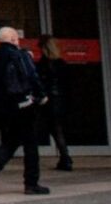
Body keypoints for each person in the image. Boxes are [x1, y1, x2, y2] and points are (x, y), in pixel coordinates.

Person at [0, 24, 48, 196]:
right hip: (23, 105)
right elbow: (31, 77)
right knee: (30, 144)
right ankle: (31, 183)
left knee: (13, 138)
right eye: (16, 38)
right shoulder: (20, 56)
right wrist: (41, 95)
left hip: (2, 108)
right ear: (12, 39)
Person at [38, 37, 75, 173]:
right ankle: (65, 157)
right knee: (58, 129)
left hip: (50, 102)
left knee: (56, 130)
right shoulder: (61, 64)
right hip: (61, 101)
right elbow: (68, 84)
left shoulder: (43, 65)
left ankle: (65, 158)